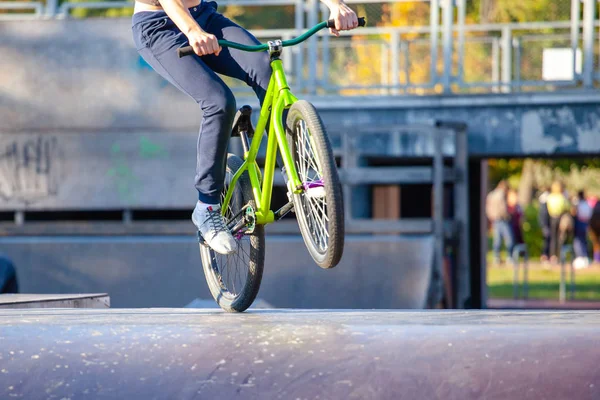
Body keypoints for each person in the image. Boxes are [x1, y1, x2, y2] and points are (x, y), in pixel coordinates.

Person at [131, 0, 359, 254]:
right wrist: (192, 31)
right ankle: (207, 207)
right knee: (218, 102)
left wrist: (336, 6)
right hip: (159, 27)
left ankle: (298, 170)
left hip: (203, 16)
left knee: (265, 67)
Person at [486, 180, 513, 264]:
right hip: (502, 219)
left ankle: (496, 257)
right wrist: (508, 216)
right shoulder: (501, 195)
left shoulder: (491, 194)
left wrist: (491, 217)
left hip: (494, 219)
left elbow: (488, 208)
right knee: (509, 238)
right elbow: (503, 208)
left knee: (497, 240)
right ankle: (509, 256)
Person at [546, 181, 571, 264]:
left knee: (553, 238)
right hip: (560, 218)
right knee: (560, 237)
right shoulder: (562, 197)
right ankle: (560, 255)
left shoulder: (550, 197)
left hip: (552, 218)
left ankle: (553, 256)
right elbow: (567, 207)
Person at [572, 190, 592, 268]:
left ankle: (580, 256)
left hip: (579, 222)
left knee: (578, 240)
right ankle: (584, 256)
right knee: (583, 240)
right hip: (585, 223)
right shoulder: (586, 204)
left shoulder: (578, 203)